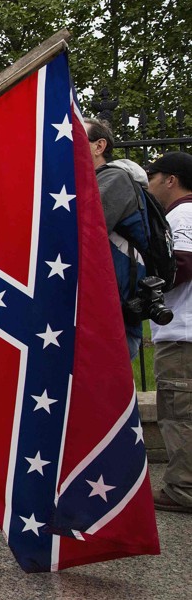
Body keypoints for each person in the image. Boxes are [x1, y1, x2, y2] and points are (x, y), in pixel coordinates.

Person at [144, 151, 192, 514]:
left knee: (179, 414)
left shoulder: (182, 214)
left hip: (183, 335)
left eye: (153, 176)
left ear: (170, 179)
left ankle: (183, 489)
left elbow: (182, 264)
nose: (149, 184)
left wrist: (143, 283)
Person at [84, 117, 149, 360]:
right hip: (92, 322)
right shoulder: (84, 186)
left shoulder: (115, 179)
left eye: (73, 138)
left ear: (99, 146)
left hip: (112, 326)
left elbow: (77, 228)